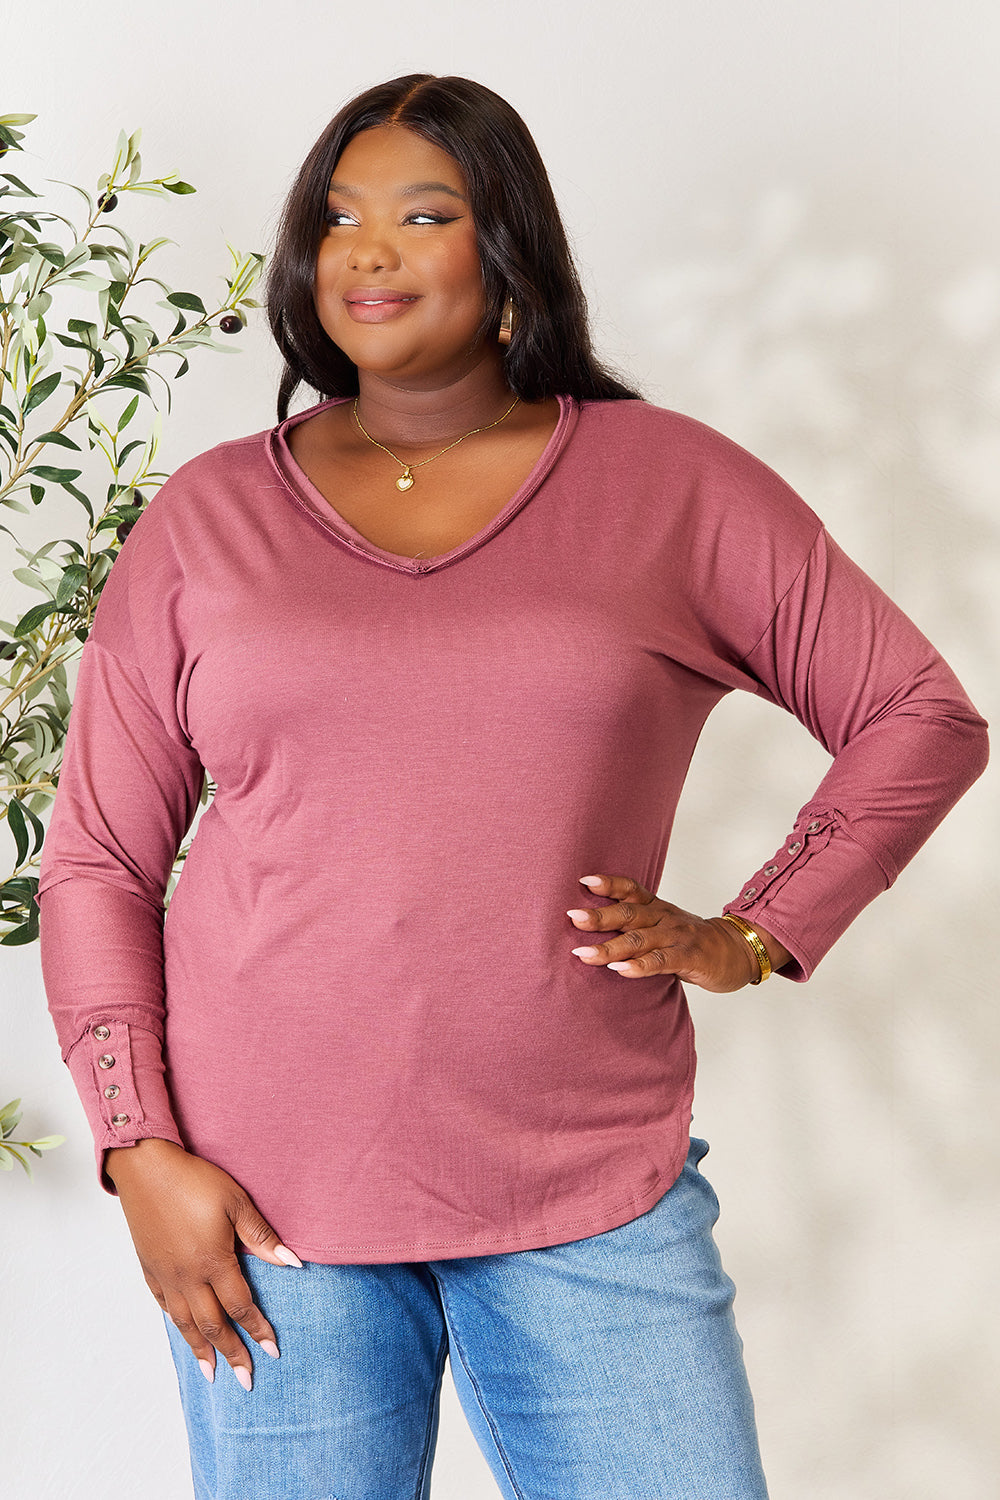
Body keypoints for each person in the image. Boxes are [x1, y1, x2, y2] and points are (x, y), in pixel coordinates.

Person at [36, 73, 988, 1500]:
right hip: (264, 1200)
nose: (368, 249)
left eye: (426, 214)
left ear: (509, 258)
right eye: (339, 216)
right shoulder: (207, 518)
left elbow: (919, 715)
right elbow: (103, 858)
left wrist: (751, 931)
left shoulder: (669, 485)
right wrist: (138, 1152)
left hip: (586, 1176)